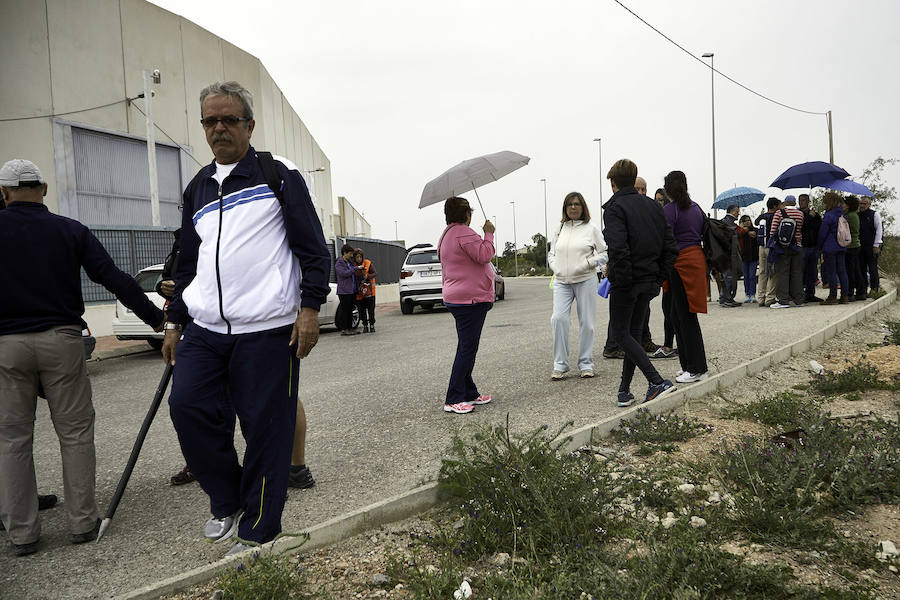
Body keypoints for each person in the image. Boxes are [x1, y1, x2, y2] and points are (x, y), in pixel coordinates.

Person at [162, 81, 331, 556]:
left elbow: (312, 248)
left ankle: (259, 531)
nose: (218, 128)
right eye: (209, 121)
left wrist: (310, 307)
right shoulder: (197, 188)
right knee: (188, 408)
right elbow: (187, 264)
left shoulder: (276, 175)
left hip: (267, 329)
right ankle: (228, 500)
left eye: (228, 120)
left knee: (265, 430)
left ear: (248, 125)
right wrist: (174, 321)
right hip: (206, 330)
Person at [0, 159, 165, 556]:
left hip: (6, 344)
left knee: (11, 438)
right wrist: (157, 319)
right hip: (62, 338)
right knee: (74, 432)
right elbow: (113, 277)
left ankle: (22, 533)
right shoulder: (70, 230)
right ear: (43, 189)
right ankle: (82, 521)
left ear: (3, 193)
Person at [602, 159, 677, 407]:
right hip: (648, 281)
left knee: (621, 334)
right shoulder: (653, 206)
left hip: (628, 282)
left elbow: (618, 249)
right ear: (634, 179)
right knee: (632, 335)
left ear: (613, 182)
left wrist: (620, 282)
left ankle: (656, 382)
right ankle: (624, 390)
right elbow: (669, 246)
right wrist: (658, 277)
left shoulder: (614, 209)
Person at [438, 197, 495, 414]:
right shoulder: (463, 232)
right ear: (466, 214)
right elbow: (485, 255)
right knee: (467, 349)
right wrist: (488, 233)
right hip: (470, 299)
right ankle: (453, 398)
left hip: (457, 298)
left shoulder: (446, 234)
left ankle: (469, 392)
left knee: (466, 346)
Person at [547, 192, 606, 380]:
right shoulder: (559, 229)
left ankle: (586, 363)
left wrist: (588, 264)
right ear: (565, 208)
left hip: (585, 279)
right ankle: (560, 364)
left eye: (577, 204)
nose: (573, 207)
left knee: (586, 323)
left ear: (583, 207)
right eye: (569, 204)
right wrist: (555, 267)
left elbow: (605, 253)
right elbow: (551, 254)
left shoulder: (591, 228)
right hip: (561, 282)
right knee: (558, 319)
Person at [662, 171, 709, 383]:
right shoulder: (696, 207)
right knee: (677, 314)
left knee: (685, 316)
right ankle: (687, 364)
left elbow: (666, 239)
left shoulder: (670, 210)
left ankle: (697, 368)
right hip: (695, 260)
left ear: (667, 188)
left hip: (679, 263)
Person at [768, 195, 805, 309]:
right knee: (796, 273)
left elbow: (773, 231)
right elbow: (800, 229)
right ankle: (799, 299)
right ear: (794, 203)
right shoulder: (800, 214)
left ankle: (783, 300)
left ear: (785, 202)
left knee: (782, 273)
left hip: (782, 248)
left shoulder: (779, 213)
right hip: (797, 246)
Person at [817, 192, 849, 305]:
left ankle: (833, 296)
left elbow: (822, 233)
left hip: (829, 248)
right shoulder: (842, 214)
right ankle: (845, 296)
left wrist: (819, 246)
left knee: (831, 272)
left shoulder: (829, 215)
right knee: (842, 271)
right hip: (841, 246)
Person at [754, 198, 780, 306]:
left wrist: (761, 214)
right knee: (772, 272)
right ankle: (769, 298)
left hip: (761, 247)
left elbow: (755, 222)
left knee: (762, 272)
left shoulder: (762, 217)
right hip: (771, 247)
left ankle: (760, 298)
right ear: (774, 206)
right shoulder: (775, 216)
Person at [798, 193, 823, 303]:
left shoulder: (815, 215)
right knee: (801, 271)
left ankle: (810, 293)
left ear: (808, 201)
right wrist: (809, 217)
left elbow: (819, 228)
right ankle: (799, 294)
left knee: (812, 272)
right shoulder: (798, 214)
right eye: (800, 200)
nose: (801, 202)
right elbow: (801, 227)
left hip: (813, 246)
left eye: (803, 200)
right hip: (803, 246)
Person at [858, 196, 882, 297]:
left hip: (871, 246)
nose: (862, 205)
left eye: (864, 204)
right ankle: (863, 290)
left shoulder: (874, 214)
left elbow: (879, 230)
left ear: (869, 204)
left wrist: (876, 244)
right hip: (860, 247)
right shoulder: (857, 215)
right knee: (861, 269)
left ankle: (874, 289)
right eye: (861, 204)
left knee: (872, 269)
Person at [718, 205, 741, 307]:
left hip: (728, 253)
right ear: (731, 211)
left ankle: (727, 298)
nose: (738, 214)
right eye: (737, 211)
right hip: (728, 255)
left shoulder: (726, 221)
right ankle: (725, 299)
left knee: (729, 276)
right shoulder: (727, 222)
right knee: (728, 276)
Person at [335, 244, 360, 335]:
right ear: (344, 253)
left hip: (352, 290)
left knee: (350, 310)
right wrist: (355, 269)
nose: (351, 255)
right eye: (350, 253)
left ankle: (351, 328)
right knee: (345, 310)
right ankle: (344, 329)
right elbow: (344, 273)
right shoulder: (339, 263)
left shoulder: (349, 262)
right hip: (344, 291)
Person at [843, 196, 863, 301]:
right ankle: (860, 291)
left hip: (851, 246)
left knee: (850, 270)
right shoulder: (854, 215)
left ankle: (851, 292)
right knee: (856, 269)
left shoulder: (849, 216)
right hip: (855, 245)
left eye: (844, 204)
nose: (843, 206)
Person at [354, 248, 377, 333]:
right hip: (359, 292)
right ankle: (365, 325)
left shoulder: (368, 263)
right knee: (361, 310)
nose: (359, 259)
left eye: (360, 257)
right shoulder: (353, 266)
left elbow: (374, 273)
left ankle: (372, 324)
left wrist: (367, 276)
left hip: (370, 292)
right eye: (357, 257)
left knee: (371, 309)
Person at [737, 215, 758, 303]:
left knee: (752, 276)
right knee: (746, 276)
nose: (747, 222)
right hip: (743, 257)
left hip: (753, 257)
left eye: (749, 220)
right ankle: (747, 294)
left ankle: (752, 294)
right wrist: (743, 231)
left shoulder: (755, 230)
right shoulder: (740, 232)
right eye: (745, 221)